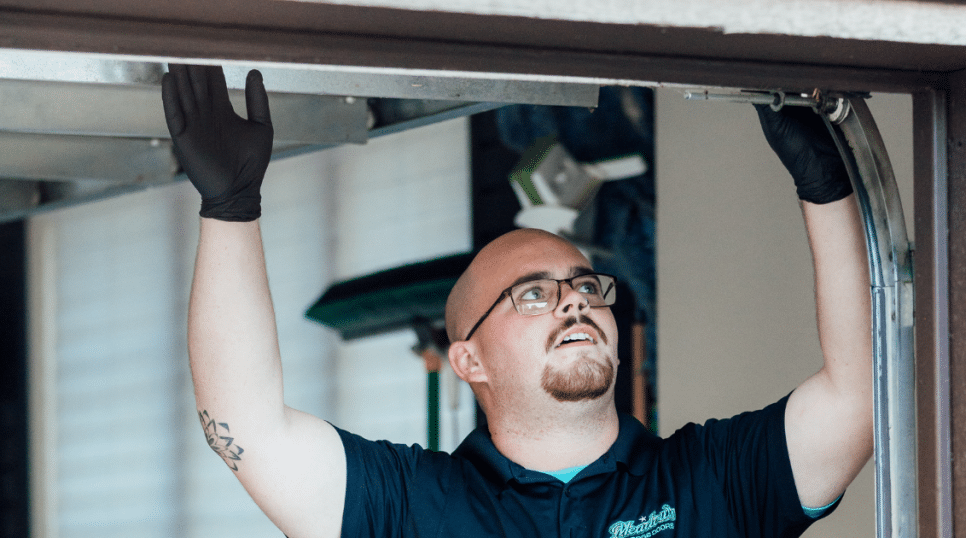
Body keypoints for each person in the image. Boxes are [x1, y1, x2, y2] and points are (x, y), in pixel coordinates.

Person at [162, 64, 872, 538]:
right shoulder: (413, 507)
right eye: (533, 294)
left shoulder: (710, 482)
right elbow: (244, 426)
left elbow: (863, 399)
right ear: (468, 358)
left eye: (587, 287)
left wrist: (828, 189)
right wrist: (230, 208)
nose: (574, 303)